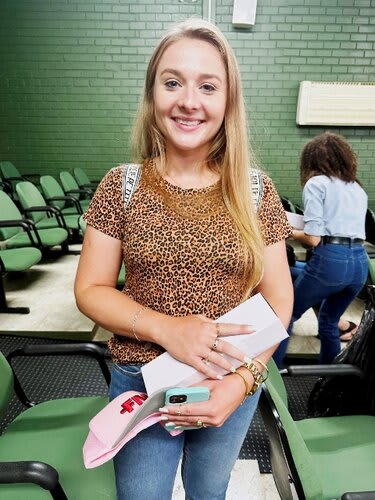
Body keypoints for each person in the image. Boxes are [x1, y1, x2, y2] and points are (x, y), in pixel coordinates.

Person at [75, 18, 292, 500]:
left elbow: (279, 301)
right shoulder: (122, 185)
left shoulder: (256, 191)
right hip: (143, 379)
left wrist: (241, 382)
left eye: (207, 86)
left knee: (207, 492)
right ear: (152, 94)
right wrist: (165, 328)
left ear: (228, 101)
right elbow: (90, 289)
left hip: (231, 379)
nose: (189, 101)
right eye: (172, 82)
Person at [274, 132, 368, 368]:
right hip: (359, 264)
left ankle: (268, 379)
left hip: (331, 262)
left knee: (287, 314)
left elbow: (313, 240)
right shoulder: (357, 187)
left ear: (311, 161)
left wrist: (283, 229)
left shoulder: (316, 184)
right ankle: (327, 381)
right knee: (328, 321)